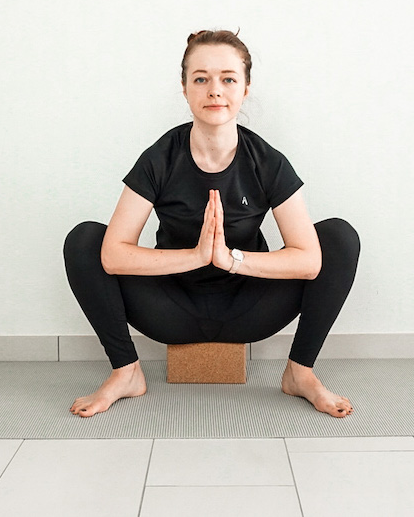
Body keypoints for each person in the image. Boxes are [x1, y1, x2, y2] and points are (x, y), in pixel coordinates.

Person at [63, 30, 360, 418]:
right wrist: (197, 256)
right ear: (185, 89)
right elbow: (112, 255)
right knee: (84, 238)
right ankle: (126, 372)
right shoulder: (160, 158)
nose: (214, 90)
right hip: (170, 307)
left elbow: (309, 262)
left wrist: (229, 259)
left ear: (245, 88)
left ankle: (300, 373)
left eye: (228, 79)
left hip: (249, 307)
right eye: (201, 78)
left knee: (339, 237)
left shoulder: (266, 161)